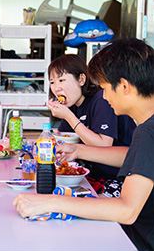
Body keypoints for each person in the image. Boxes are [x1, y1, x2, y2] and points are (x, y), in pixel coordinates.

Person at [0, 38, 154, 251]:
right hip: (145, 232)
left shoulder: (149, 132)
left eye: (105, 88)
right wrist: (79, 149)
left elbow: (127, 210)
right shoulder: (150, 127)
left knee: (50, 231)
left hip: (142, 248)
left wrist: (50, 201)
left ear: (125, 86)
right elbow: (133, 155)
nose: (103, 98)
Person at [47, 53, 136, 196]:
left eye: (62, 80)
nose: (56, 88)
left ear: (81, 79)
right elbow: (65, 138)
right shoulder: (73, 105)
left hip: (120, 178)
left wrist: (69, 117)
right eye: (52, 82)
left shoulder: (101, 100)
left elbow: (104, 145)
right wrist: (55, 136)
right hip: (92, 175)